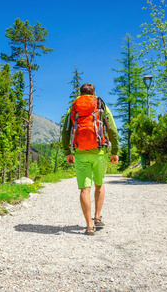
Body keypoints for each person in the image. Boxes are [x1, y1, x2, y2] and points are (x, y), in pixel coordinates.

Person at [62, 83, 119, 236]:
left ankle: (88, 226)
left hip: (80, 153)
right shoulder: (100, 106)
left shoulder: (73, 107)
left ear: (80, 94)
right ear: (94, 93)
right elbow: (112, 129)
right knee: (99, 185)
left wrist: (68, 152)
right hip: (99, 153)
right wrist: (114, 151)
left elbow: (66, 132)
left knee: (84, 189)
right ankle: (97, 217)